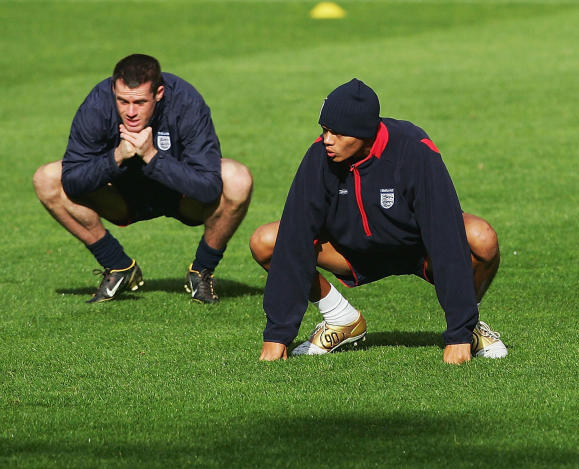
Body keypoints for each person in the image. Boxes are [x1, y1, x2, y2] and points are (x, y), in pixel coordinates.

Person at [253, 78, 506, 364]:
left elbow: (444, 234)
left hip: (418, 250)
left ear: (363, 133)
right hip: (350, 253)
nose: (327, 140)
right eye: (324, 130)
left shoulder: (414, 149)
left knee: (481, 237)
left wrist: (459, 334)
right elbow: (295, 237)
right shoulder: (319, 157)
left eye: (336, 133)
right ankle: (341, 319)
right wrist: (277, 336)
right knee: (267, 241)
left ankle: (471, 327)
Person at [32, 54, 252, 304]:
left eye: (139, 102)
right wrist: (117, 157)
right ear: (114, 90)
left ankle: (201, 272)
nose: (131, 112)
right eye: (123, 101)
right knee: (46, 178)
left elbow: (209, 188)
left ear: (159, 93)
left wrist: (152, 156)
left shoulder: (185, 100)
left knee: (237, 178)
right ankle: (118, 267)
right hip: (121, 197)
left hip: (181, 197)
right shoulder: (97, 104)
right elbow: (71, 180)